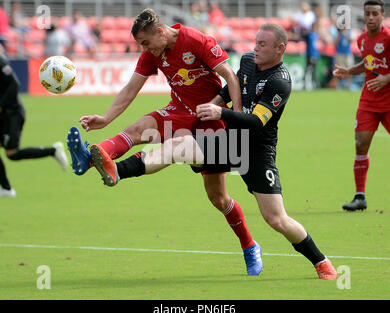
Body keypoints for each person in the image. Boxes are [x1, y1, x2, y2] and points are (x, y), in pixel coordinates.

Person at [88, 23, 338, 280]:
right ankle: (117, 170)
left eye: (262, 44)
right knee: (178, 147)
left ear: (280, 48)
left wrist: (221, 112)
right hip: (229, 140)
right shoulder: (250, 61)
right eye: (256, 42)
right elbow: (230, 87)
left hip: (257, 151)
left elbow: (257, 121)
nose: (255, 48)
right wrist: (214, 103)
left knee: (277, 220)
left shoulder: (280, 82)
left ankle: (320, 261)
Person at [67, 8, 262, 276]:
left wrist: (237, 116)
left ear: (160, 31)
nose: (144, 49)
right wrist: (107, 118)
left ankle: (249, 245)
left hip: (209, 119)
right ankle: (94, 158)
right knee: (137, 129)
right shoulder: (152, 53)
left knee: (218, 198)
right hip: (177, 112)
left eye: (145, 42)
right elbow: (131, 88)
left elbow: (230, 76)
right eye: (140, 45)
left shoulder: (197, 41)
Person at [333, 0, 390, 211]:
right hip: (369, 100)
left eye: (375, 13)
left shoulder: (389, 38)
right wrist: (349, 71)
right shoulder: (362, 40)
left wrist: (386, 78)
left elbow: (383, 71)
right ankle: (360, 196)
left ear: (383, 15)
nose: (371, 17)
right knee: (360, 143)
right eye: (368, 13)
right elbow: (368, 65)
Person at [0, 50, 68, 198]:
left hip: (11, 114)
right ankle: (6, 189)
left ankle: (53, 151)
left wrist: (1, 105)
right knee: (11, 154)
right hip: (4, 114)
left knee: (12, 154)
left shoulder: (1, 62)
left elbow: (14, 84)